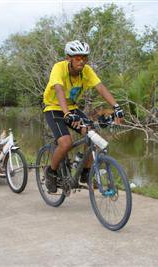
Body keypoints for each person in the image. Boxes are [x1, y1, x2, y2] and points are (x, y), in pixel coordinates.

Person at [43, 40, 124, 193]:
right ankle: (51, 172)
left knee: (92, 135)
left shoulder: (86, 71)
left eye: (84, 58)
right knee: (66, 143)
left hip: (72, 108)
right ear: (69, 58)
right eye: (78, 58)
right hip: (54, 108)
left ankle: (86, 172)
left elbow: (100, 87)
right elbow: (59, 90)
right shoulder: (58, 68)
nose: (82, 61)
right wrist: (66, 114)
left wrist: (117, 107)